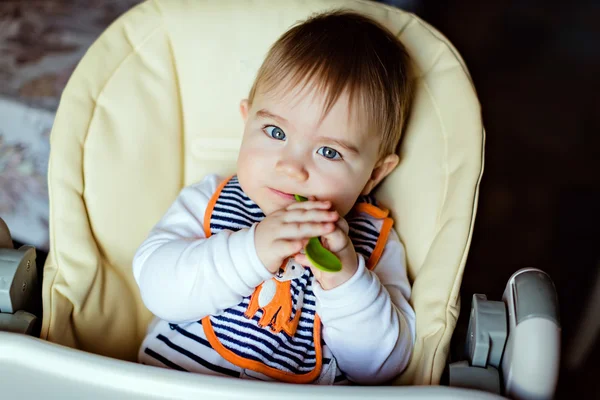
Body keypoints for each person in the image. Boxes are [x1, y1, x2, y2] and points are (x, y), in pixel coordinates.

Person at [133, 10, 415, 385]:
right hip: (169, 386)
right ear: (246, 120)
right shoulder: (211, 199)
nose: (291, 167)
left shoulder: (372, 241)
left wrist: (344, 276)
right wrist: (251, 251)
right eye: (275, 132)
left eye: (329, 152)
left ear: (374, 174)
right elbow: (156, 287)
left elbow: (381, 367)